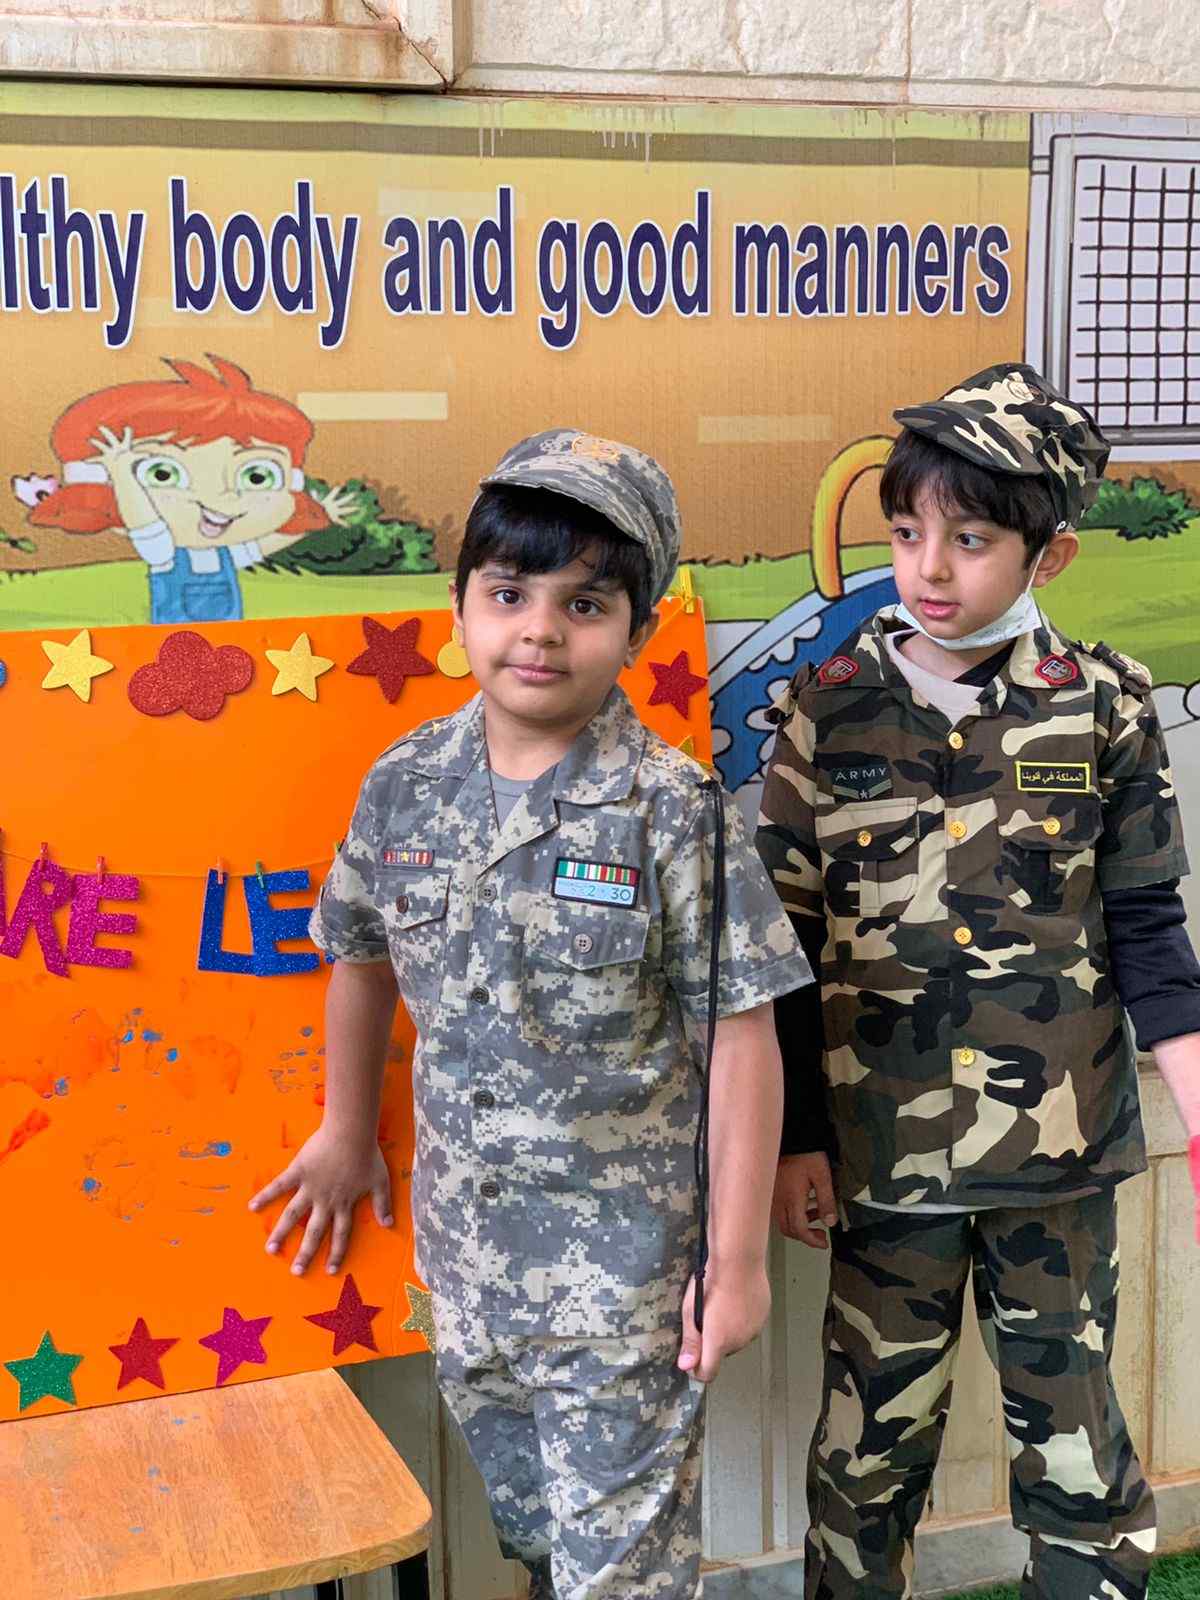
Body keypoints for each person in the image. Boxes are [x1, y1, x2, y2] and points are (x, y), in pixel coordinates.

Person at [251, 429, 813, 1600]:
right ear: (460, 606)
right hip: (467, 1273)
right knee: (542, 1544)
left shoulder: (673, 807)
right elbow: (357, 954)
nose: (540, 631)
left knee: (621, 1577)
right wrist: (346, 1129)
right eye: (509, 594)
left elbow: (741, 1034)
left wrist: (737, 1259)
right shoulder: (405, 782)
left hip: (627, 1285)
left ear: (638, 630)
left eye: (585, 603)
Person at [757, 363, 1200, 1600]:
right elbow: (781, 950)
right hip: (878, 1157)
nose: (929, 568)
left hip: (1058, 1162)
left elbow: (1151, 933)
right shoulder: (828, 710)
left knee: (1076, 1447)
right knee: (867, 1453)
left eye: (969, 539)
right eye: (906, 533)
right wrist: (794, 1138)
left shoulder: (1106, 707)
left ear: (1048, 555)